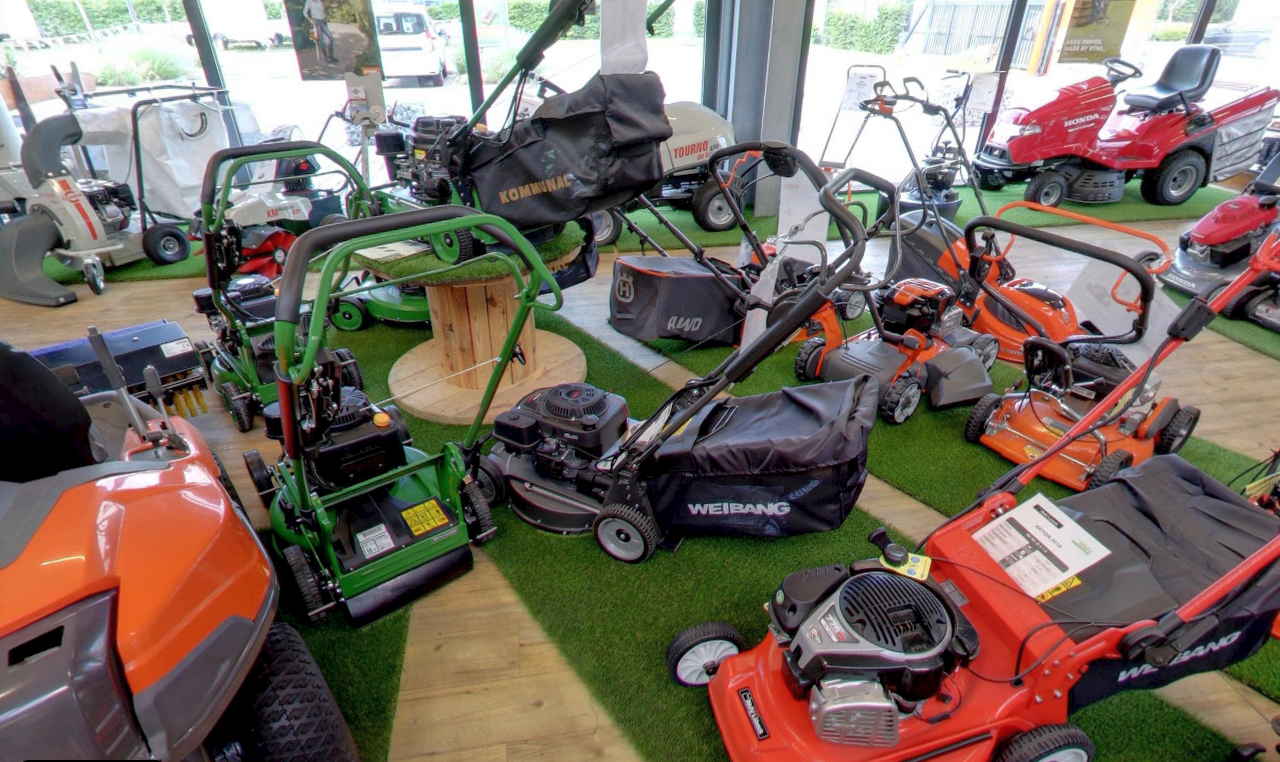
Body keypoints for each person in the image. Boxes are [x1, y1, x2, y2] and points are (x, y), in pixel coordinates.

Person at [304, 0, 338, 65]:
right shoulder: (309, 1)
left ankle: (331, 57)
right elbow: (305, 13)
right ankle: (326, 58)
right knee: (322, 41)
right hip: (317, 22)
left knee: (331, 38)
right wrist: (311, 20)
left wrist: (326, 15)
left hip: (323, 21)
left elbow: (323, 9)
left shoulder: (320, 1)